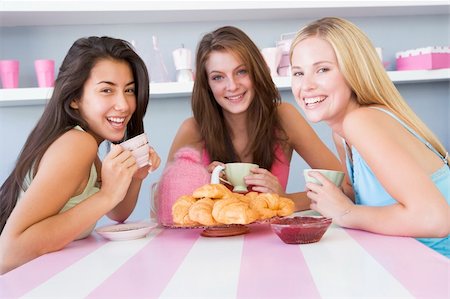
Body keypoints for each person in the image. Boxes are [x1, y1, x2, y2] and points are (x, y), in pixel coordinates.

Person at [290, 17, 449, 257]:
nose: (306, 85)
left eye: (322, 69)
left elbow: (435, 220)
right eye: (298, 73)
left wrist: (345, 213)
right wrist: (337, 196)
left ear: (353, 71)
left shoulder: (361, 122)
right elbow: (376, 196)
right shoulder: (342, 134)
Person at [0, 36, 161, 274]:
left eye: (129, 90)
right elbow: (8, 252)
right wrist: (106, 195)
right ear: (75, 98)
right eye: (107, 90)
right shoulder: (77, 144)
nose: (124, 105)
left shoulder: (87, 143)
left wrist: (134, 177)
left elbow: (117, 213)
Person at [166, 25, 342, 211]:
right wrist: (196, 191)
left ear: (256, 71)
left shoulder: (283, 117)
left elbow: (343, 186)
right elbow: (161, 206)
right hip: (213, 240)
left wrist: (283, 199)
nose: (232, 86)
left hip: (271, 239)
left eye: (241, 71)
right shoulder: (192, 130)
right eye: (218, 77)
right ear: (207, 84)